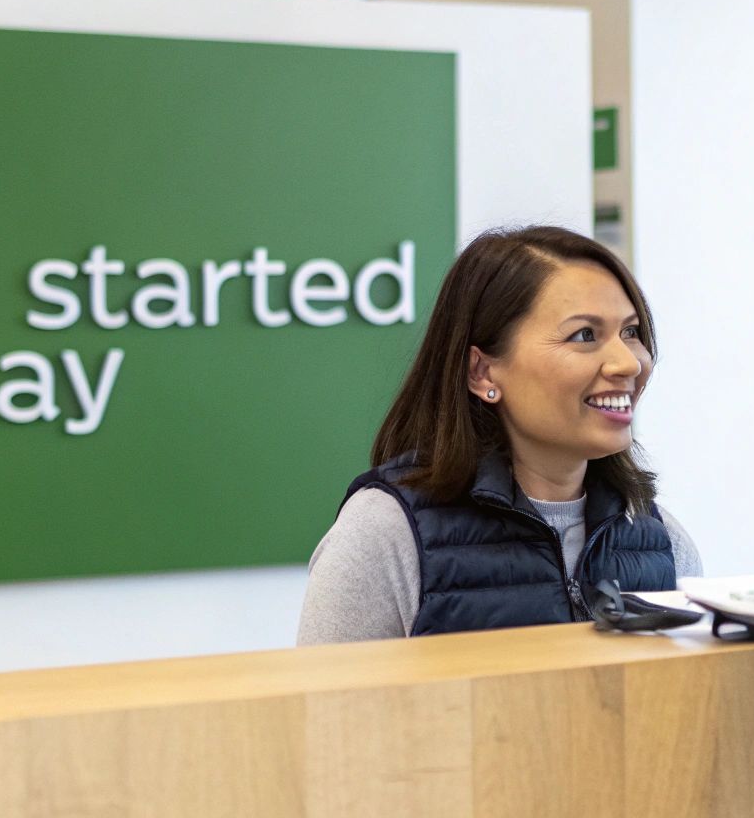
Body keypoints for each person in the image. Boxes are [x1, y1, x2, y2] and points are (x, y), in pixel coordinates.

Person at [297, 225, 702, 644]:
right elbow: (326, 708)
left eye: (630, 332)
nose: (628, 363)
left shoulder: (663, 540)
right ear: (483, 371)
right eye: (585, 335)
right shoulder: (385, 534)